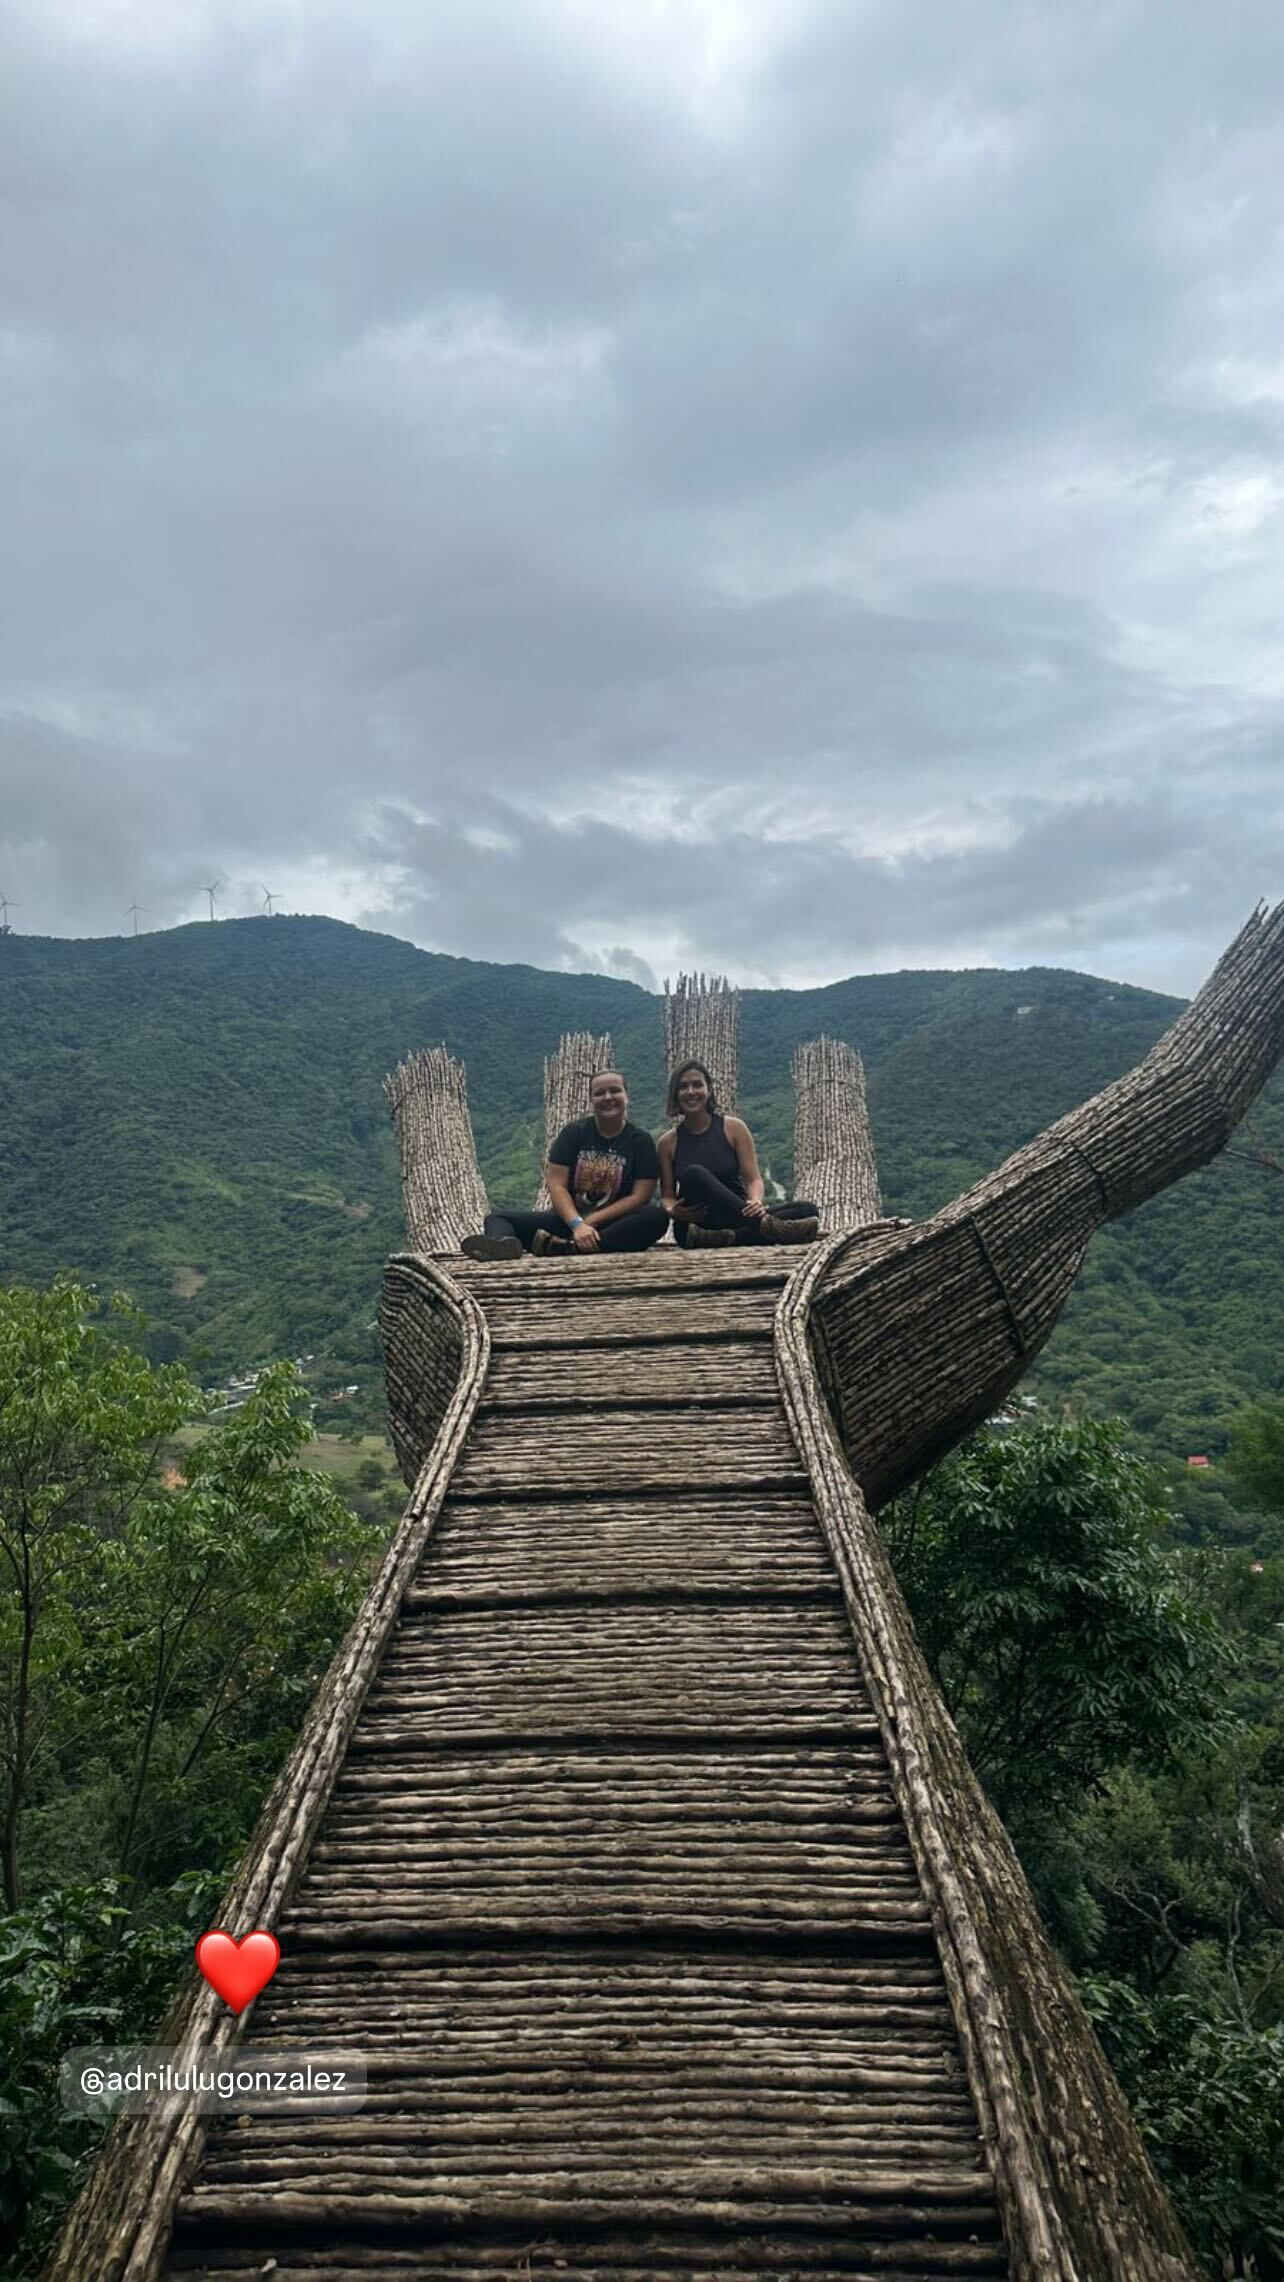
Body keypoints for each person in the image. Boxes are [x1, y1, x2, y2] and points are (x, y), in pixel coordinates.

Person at [461, 1069, 668, 1262]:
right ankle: (502, 1247)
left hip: (613, 1225)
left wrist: (591, 1222)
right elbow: (557, 1185)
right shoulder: (574, 1133)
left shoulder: (640, 1141)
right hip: (565, 1221)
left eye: (615, 1090)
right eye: (599, 1093)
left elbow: (639, 1196)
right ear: (591, 1099)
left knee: (656, 1217)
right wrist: (576, 1224)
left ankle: (567, 1248)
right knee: (497, 1218)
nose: (607, 1097)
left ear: (626, 1095)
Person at [659, 1059, 820, 1248]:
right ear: (676, 1094)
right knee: (694, 1174)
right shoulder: (668, 1143)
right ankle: (762, 1227)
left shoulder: (734, 1128)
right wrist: (672, 1209)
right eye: (683, 1087)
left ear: (708, 1090)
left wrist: (756, 1202)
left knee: (808, 1210)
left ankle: (732, 1236)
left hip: (737, 1213)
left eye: (697, 1085)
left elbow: (753, 1179)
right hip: (696, 1223)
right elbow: (667, 1195)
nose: (691, 1091)